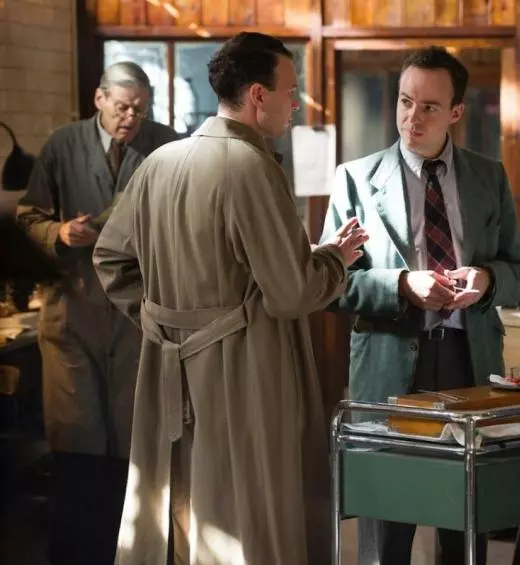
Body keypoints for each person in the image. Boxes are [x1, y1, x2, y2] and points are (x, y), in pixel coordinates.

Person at [92, 32, 367, 565]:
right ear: (258, 95)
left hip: (167, 363)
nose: (296, 103)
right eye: (290, 90)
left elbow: (110, 259)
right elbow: (289, 293)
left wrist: (160, 320)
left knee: (180, 506)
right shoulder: (251, 166)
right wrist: (335, 260)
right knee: (246, 513)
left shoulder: (158, 161)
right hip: (243, 370)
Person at [320, 46, 520, 565]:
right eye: (405, 101)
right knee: (387, 526)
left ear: (456, 112)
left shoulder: (488, 176)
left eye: (430, 106)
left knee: (465, 523)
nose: (412, 117)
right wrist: (401, 285)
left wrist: (486, 279)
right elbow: (331, 284)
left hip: (469, 362)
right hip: (390, 366)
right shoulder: (355, 178)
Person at [15, 61, 178, 565]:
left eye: (140, 110)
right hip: (74, 314)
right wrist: (60, 233)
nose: (131, 118)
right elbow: (27, 215)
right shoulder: (62, 145)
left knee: (137, 447)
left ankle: (134, 552)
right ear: (99, 99)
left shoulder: (165, 145)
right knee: (78, 445)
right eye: (123, 107)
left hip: (137, 318)